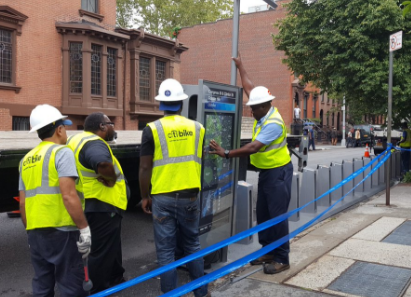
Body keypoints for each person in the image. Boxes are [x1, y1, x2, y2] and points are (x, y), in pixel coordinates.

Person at [210, 55, 293, 275]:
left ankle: (282, 258)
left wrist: (226, 153)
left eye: (253, 109)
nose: (250, 111)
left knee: (277, 216)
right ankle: (268, 250)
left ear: (265, 106)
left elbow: (252, 148)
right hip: (267, 173)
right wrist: (241, 66)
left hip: (278, 173)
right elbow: (249, 86)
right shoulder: (262, 111)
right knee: (264, 214)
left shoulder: (273, 124)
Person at [138, 78, 209, 296]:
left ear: (161, 104)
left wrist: (144, 197)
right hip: (190, 195)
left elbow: (144, 167)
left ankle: (170, 294)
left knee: (166, 251)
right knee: (192, 245)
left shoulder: (152, 129)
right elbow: (200, 160)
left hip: (163, 197)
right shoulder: (198, 128)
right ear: (181, 103)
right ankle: (202, 293)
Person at [19, 104, 90, 296]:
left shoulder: (25, 159)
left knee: (42, 285)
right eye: (65, 127)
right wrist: (84, 229)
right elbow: (68, 195)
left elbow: (23, 203)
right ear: (59, 129)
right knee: (71, 286)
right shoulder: (62, 152)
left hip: (35, 232)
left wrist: (29, 232)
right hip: (62, 231)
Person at [66, 112, 127, 293]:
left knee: (111, 247)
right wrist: (112, 178)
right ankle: (99, 290)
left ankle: (116, 278)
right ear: (102, 126)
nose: (113, 128)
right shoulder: (93, 142)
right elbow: (102, 163)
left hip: (89, 203)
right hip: (102, 204)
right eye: (111, 124)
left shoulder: (75, 140)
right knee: (100, 254)